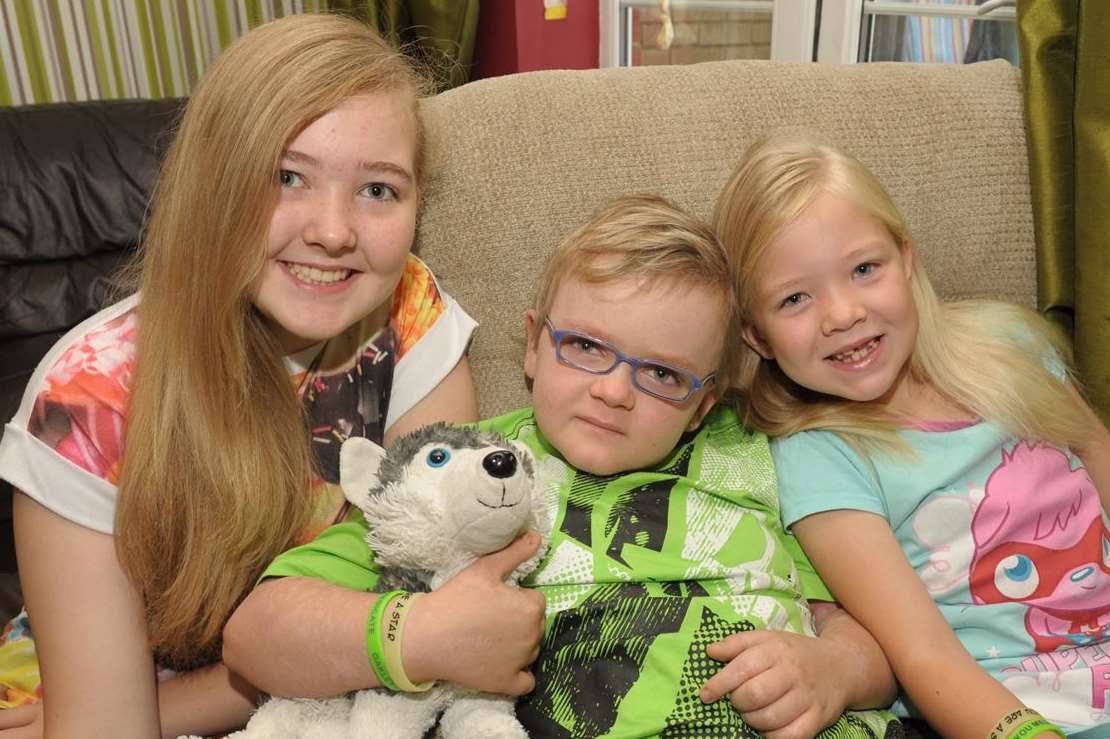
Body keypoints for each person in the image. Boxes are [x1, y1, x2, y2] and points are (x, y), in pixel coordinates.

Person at [0, 13, 543, 739]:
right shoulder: (82, 403)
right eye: (288, 177)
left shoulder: (411, 312)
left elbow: (427, 600)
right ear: (212, 183)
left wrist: (364, 645)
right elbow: (102, 719)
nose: (332, 229)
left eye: (377, 189)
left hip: (317, 692)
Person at [225, 194, 902, 738]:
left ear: (703, 405)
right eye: (584, 345)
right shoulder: (461, 465)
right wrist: (419, 633)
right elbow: (258, 633)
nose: (614, 389)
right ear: (531, 343)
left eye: (663, 373)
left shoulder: (762, 455)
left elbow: (867, 633)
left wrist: (835, 666)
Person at [713, 132, 1110, 738]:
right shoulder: (818, 457)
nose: (843, 314)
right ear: (757, 337)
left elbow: (1098, 454)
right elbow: (922, 655)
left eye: (864, 269)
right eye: (795, 298)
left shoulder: (1012, 347)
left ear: (908, 258)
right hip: (1011, 711)